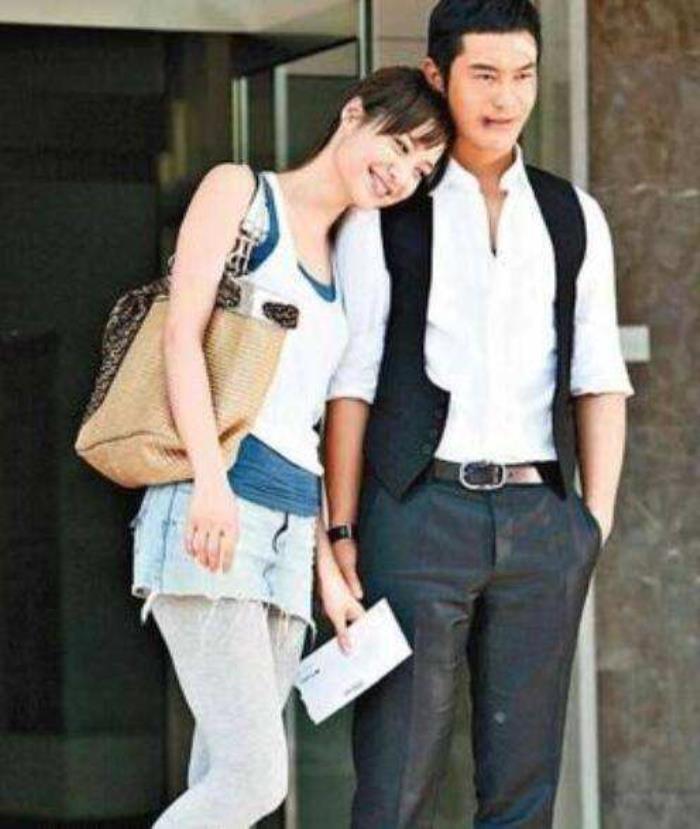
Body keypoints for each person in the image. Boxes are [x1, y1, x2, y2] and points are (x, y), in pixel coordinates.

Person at [324, 2, 634, 827]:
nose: (506, 97)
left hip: (543, 520)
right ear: (438, 75)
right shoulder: (387, 210)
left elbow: (599, 377)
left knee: (523, 791)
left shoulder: (572, 215)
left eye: (523, 75)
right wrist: (344, 528)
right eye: (485, 75)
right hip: (418, 512)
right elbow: (352, 383)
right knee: (394, 783)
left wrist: (592, 523)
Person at [127, 66, 452, 828]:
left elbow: (301, 427)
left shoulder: (343, 256)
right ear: (353, 112)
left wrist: (326, 573)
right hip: (212, 512)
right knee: (254, 778)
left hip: (283, 536)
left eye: (421, 168)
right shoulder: (241, 195)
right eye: (400, 144)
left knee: (222, 773)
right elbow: (180, 337)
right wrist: (210, 480)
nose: (402, 173)